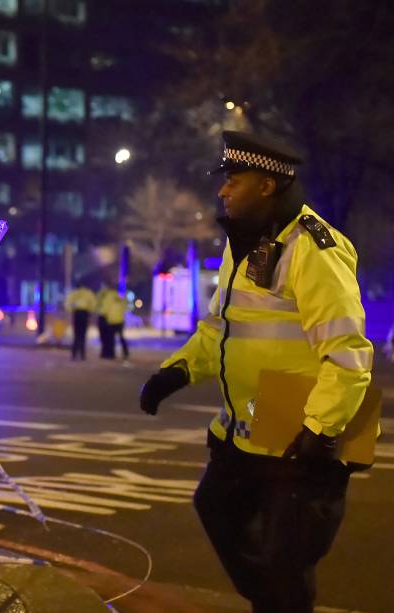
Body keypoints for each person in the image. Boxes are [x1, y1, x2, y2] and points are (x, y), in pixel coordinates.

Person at [139, 131, 373, 612]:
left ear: (266, 185)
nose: (223, 190)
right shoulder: (244, 244)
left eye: (234, 180)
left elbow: (348, 353)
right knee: (217, 509)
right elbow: (220, 329)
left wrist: (320, 429)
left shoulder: (314, 250)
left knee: (285, 562)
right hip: (245, 427)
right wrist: (176, 372)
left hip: (299, 431)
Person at [64, 279, 96, 360]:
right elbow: (93, 304)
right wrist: (90, 312)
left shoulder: (74, 294)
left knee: (76, 334)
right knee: (83, 334)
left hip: (77, 314)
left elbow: (68, 305)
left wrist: (72, 310)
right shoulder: (88, 293)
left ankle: (74, 354)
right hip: (84, 314)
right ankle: (82, 354)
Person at [101, 289, 130, 362]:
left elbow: (105, 309)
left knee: (111, 338)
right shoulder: (120, 297)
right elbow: (125, 307)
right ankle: (125, 352)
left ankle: (112, 354)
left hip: (111, 320)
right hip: (120, 320)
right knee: (121, 337)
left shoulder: (108, 297)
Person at [96, 281, 116, 359]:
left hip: (108, 317)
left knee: (108, 337)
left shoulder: (110, 295)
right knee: (105, 336)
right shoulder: (101, 294)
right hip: (104, 316)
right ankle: (106, 353)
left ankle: (109, 353)